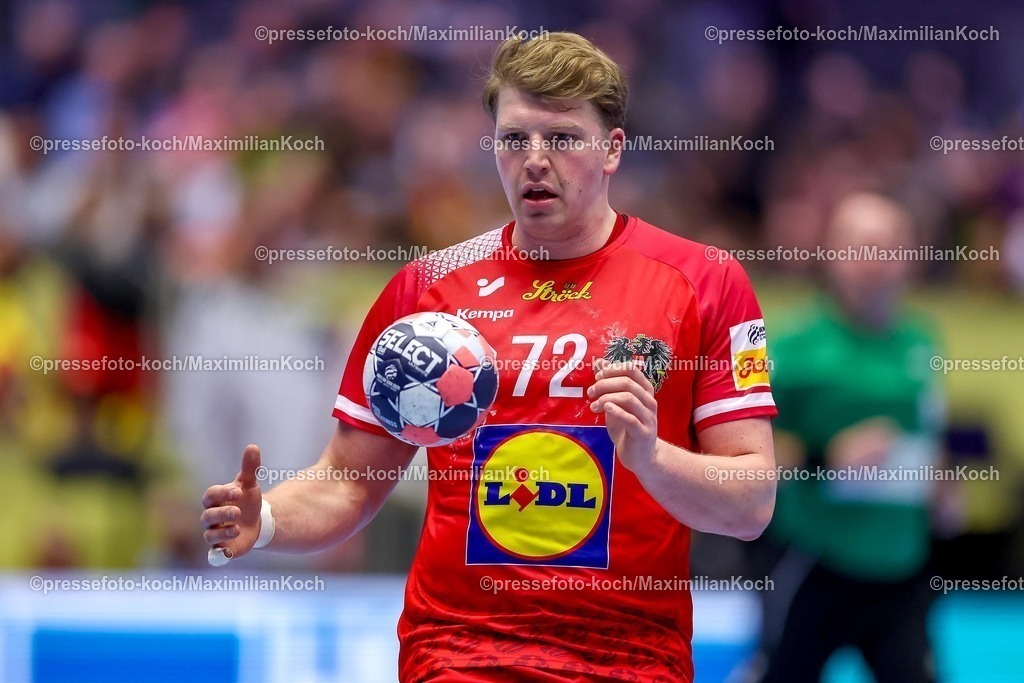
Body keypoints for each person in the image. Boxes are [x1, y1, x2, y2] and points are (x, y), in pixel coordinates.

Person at [201, 32, 777, 682]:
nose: (534, 160)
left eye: (561, 139)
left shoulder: (704, 281)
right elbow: (348, 479)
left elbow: (751, 503)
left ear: (612, 149)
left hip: (628, 660)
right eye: (513, 139)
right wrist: (268, 517)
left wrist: (651, 456)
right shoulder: (427, 289)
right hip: (460, 654)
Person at [757, 192, 944, 683]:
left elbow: (926, 431)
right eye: (859, 246)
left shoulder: (921, 341)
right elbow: (741, 452)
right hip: (817, 564)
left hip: (903, 566)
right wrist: (826, 458)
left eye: (887, 247)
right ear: (832, 252)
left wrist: (942, 483)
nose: (873, 262)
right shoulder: (794, 348)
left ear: (910, 255)